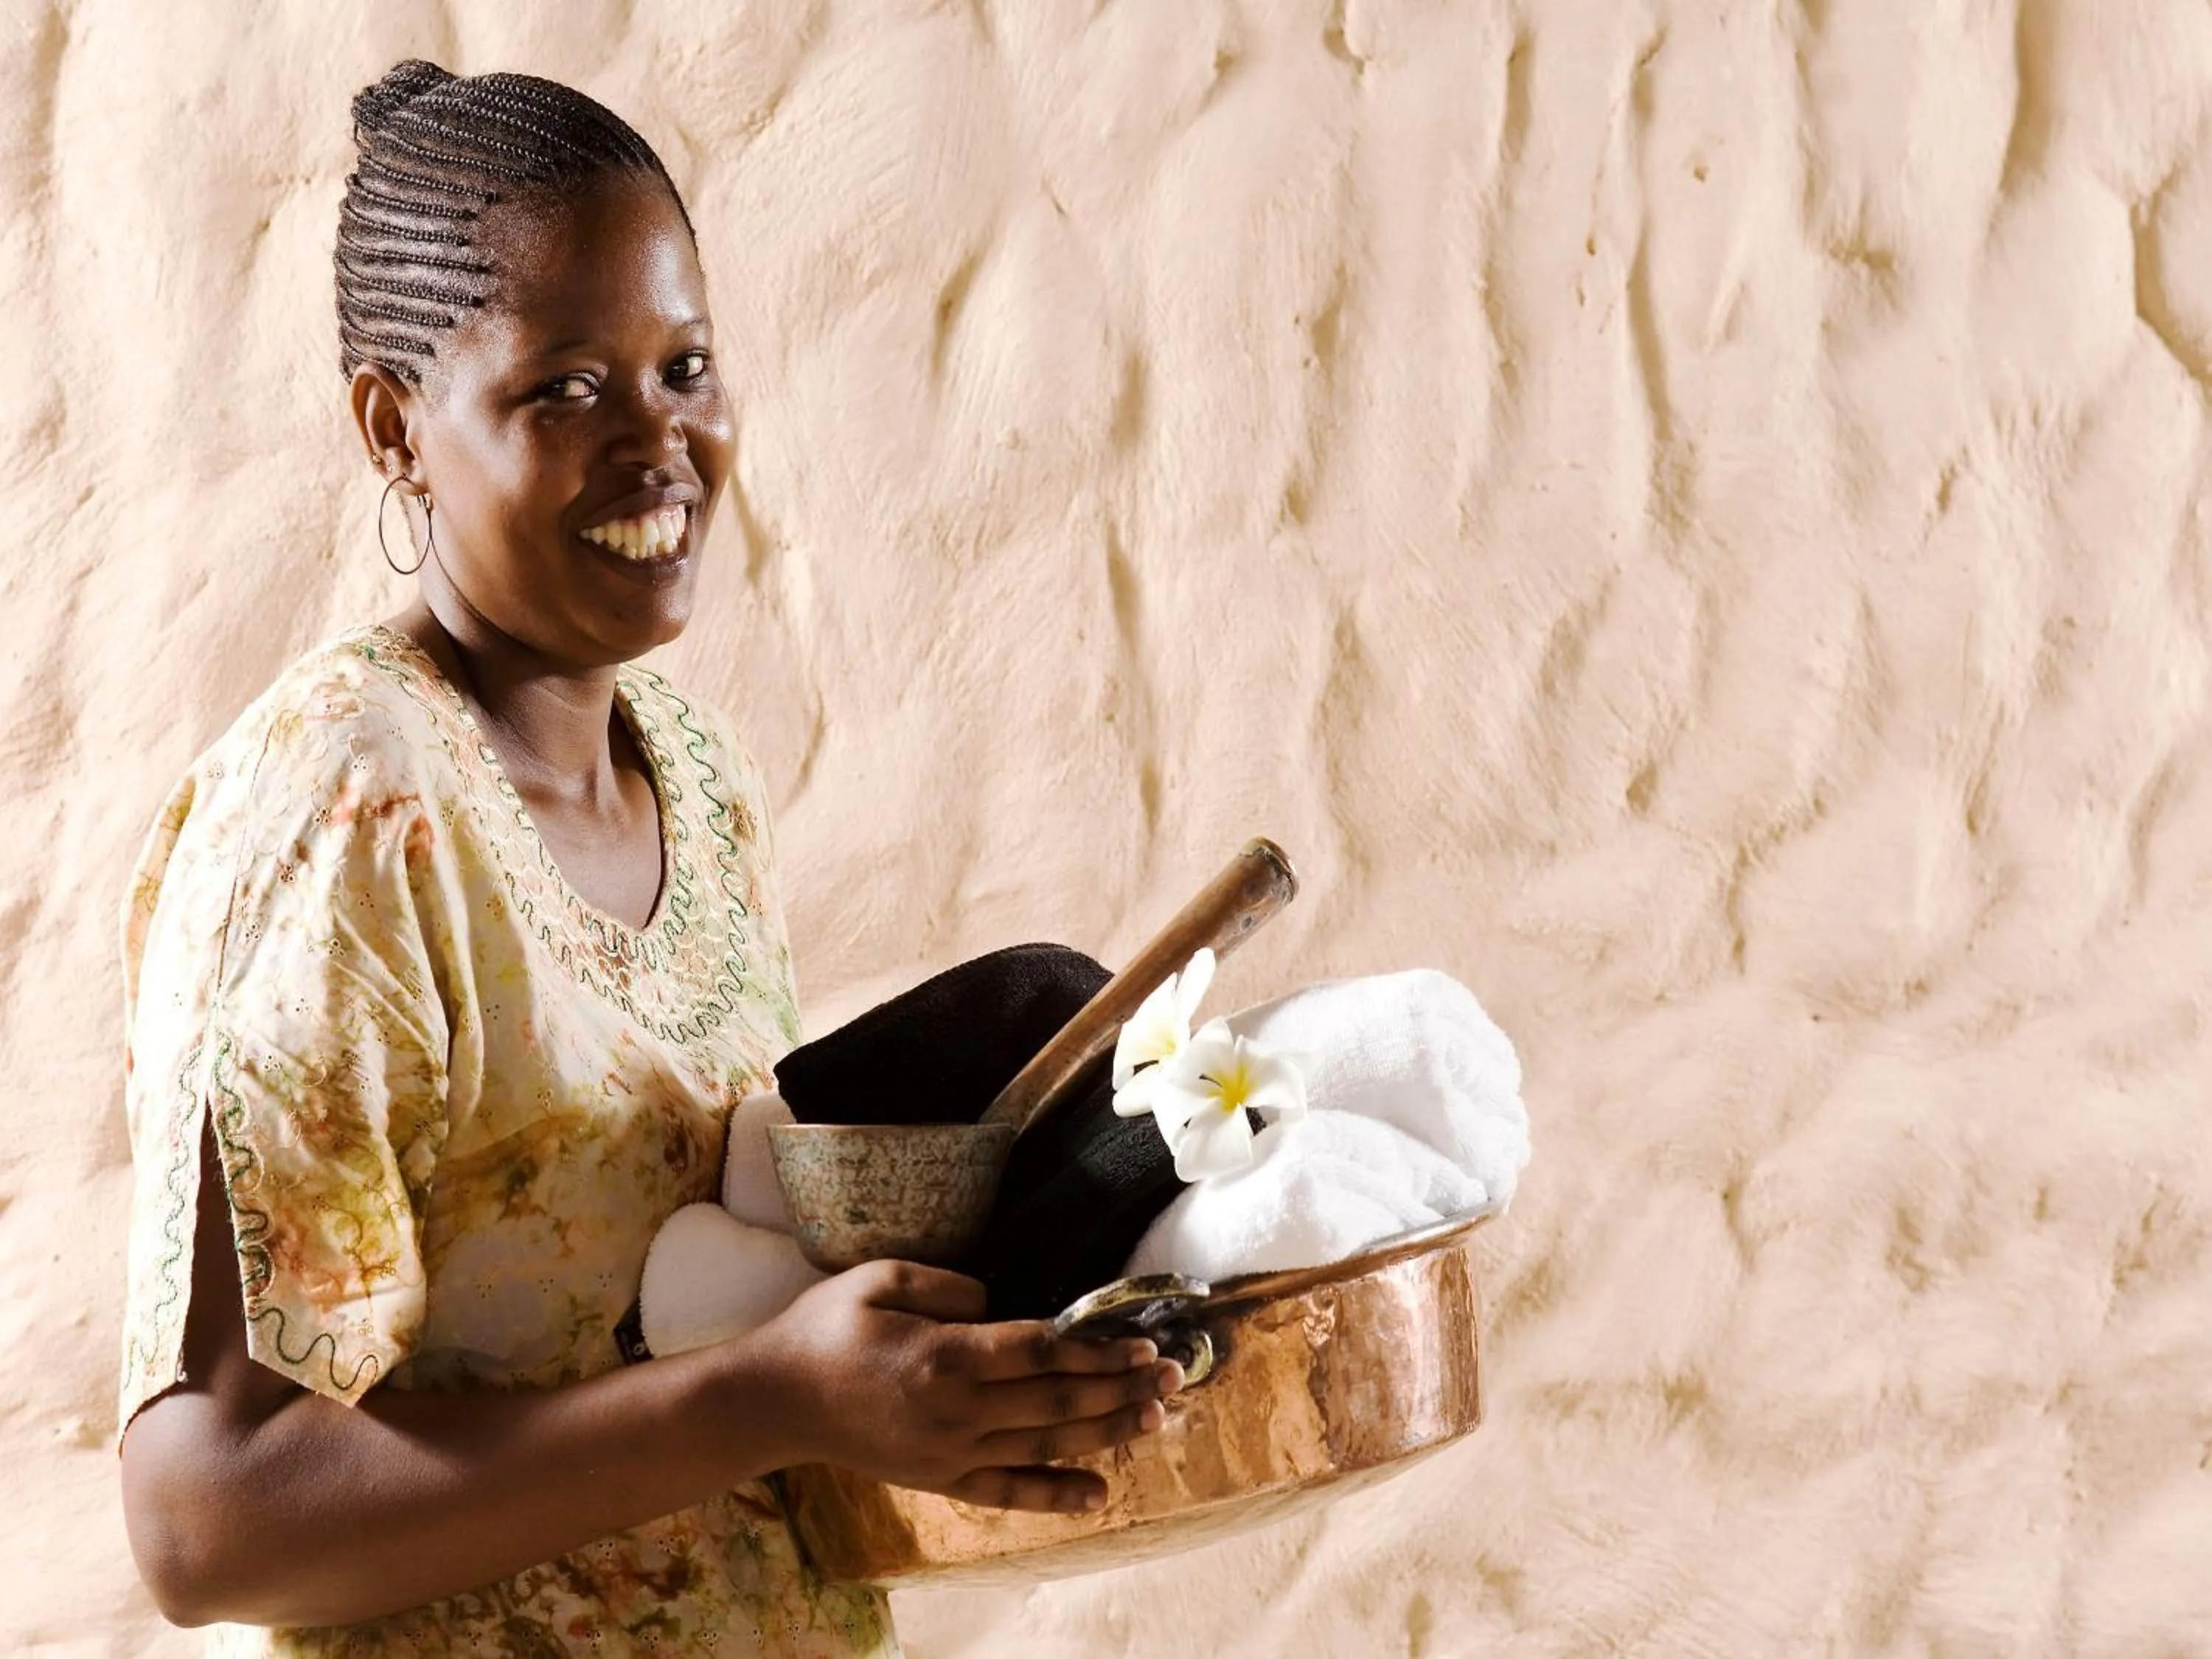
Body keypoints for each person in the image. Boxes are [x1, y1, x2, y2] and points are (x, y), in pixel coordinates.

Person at [114, 60, 1181, 1658]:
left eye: (685, 366)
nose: (660, 442)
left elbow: (712, 1319)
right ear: (394, 427)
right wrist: (763, 1399)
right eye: (565, 389)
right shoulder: (346, 817)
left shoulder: (697, 775)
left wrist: (940, 1385)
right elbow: (208, 1518)